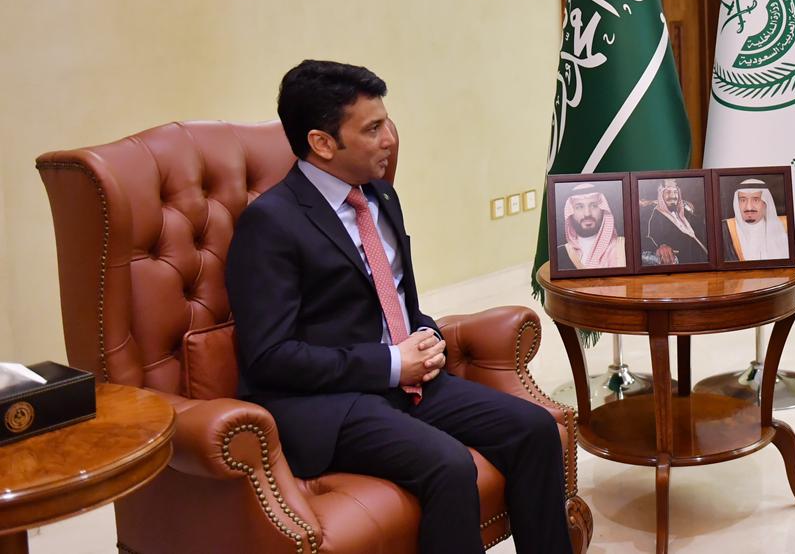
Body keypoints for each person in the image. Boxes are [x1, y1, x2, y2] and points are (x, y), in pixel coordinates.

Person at [225, 60, 573, 554]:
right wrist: (390, 362)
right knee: (450, 465)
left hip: (407, 383)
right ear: (322, 142)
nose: (390, 138)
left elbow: (392, 297)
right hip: (329, 403)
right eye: (372, 129)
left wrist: (425, 334)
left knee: (536, 430)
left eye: (386, 121)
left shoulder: (380, 195)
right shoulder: (271, 223)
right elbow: (269, 357)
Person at [555, 182, 625, 269]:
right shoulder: (560, 254)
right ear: (570, 212)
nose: (587, 213)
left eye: (594, 206)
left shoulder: (623, 247)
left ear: (603, 209)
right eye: (579, 207)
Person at [640, 179, 708, 266]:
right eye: (668, 192)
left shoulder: (687, 215)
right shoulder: (653, 216)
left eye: (675, 192)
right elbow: (646, 238)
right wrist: (661, 247)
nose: (673, 196)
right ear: (660, 194)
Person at [722, 178, 789, 261]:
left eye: (756, 200)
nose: (749, 207)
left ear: (765, 203)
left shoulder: (785, 226)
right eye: (743, 200)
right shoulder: (724, 230)